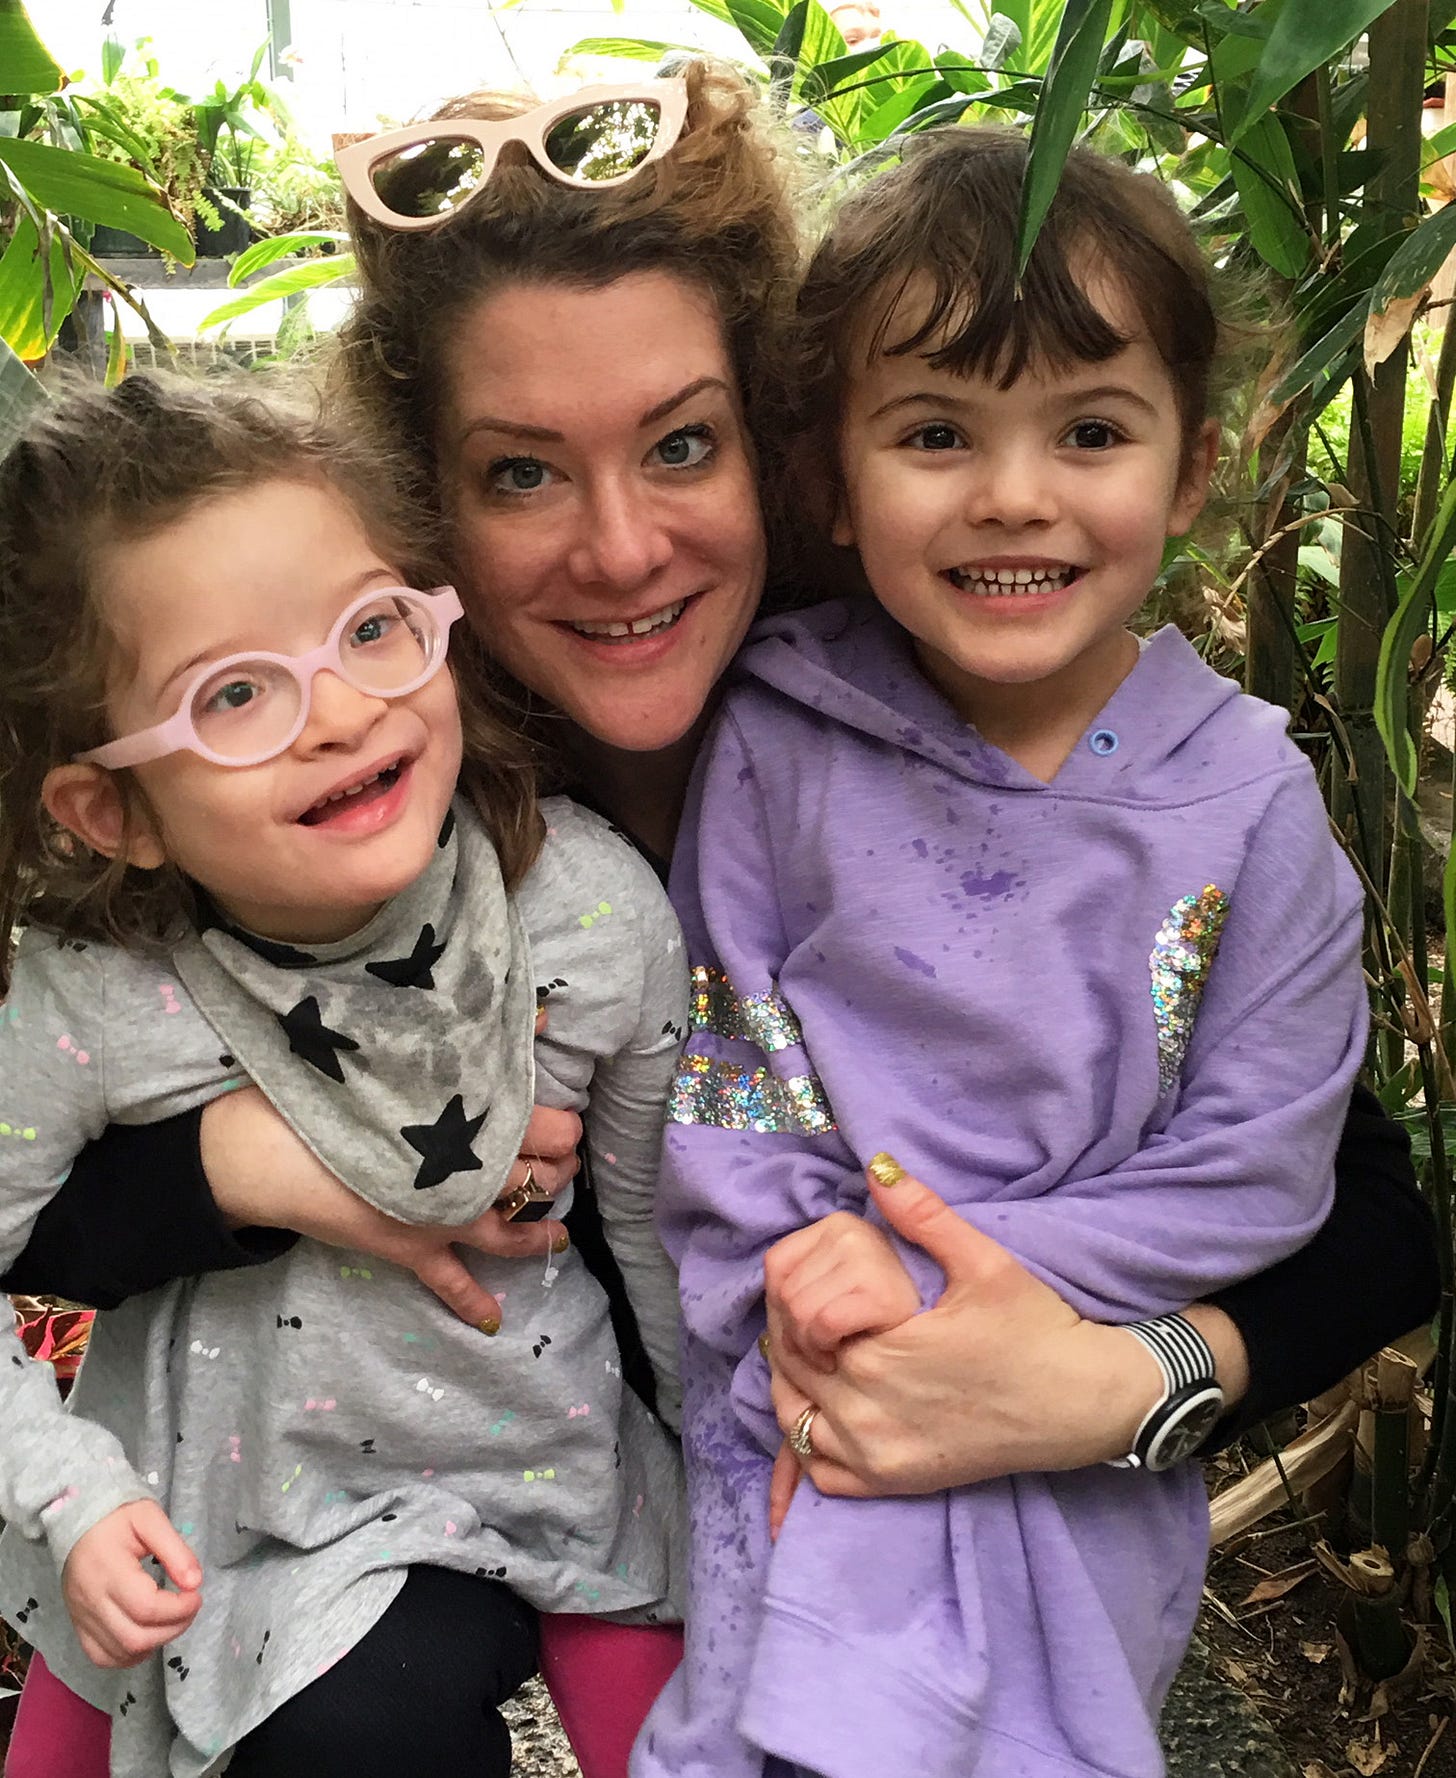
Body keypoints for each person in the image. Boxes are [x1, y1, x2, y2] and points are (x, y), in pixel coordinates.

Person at [2, 60, 1436, 1769]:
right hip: (397, 1485)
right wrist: (259, 1162)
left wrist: (1127, 1383)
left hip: (834, 1486)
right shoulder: (344, 782)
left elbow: (1365, 1211)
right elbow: (54, 1175)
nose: (622, 549)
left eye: (682, 444)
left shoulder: (958, 725)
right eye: (523, 473)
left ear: (782, 446)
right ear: (423, 511)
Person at [637, 127, 1369, 1778]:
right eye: (935, 433)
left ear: (1192, 466)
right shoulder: (780, 741)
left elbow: (1263, 1165)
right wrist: (802, 1279)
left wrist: (951, 1279)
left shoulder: (1248, 806)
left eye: (1090, 430)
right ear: (831, 477)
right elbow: (731, 1071)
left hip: (1072, 1433)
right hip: (808, 1395)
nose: (1015, 493)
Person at [0, 373, 686, 1778]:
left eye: (371, 628)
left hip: (563, 1473)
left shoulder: (589, 913)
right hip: (250, 1521)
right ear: (113, 810)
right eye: (234, 694)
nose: (338, 712)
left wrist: (732, 1476)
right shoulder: (99, 1002)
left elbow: (664, 1231)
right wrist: (71, 1494)